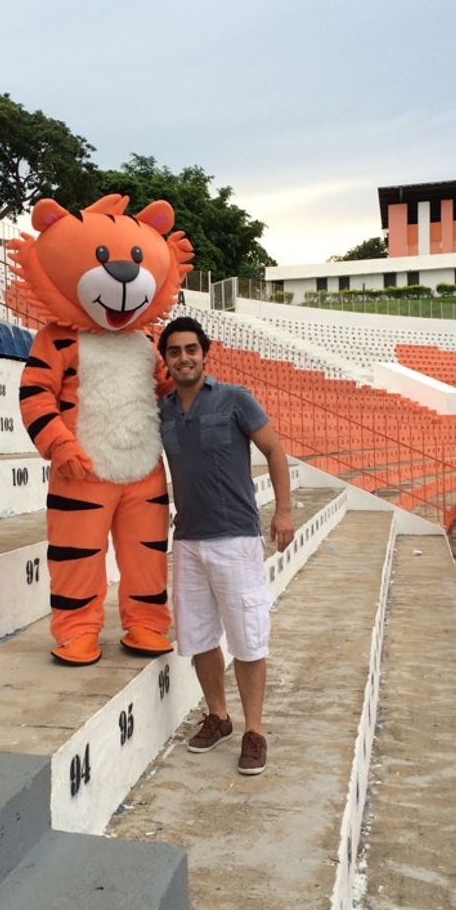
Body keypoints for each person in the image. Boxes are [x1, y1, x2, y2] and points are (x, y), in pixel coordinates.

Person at [157, 316, 295, 776]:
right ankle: (219, 717)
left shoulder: (235, 399)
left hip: (235, 538)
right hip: (189, 540)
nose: (183, 358)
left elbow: (275, 450)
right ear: (167, 361)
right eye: (174, 351)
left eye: (190, 349)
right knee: (198, 637)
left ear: (205, 353)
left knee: (248, 638)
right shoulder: (164, 411)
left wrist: (283, 512)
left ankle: (255, 731)